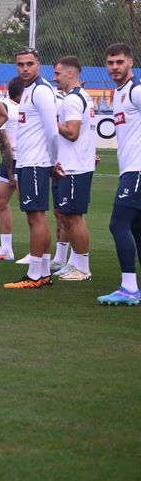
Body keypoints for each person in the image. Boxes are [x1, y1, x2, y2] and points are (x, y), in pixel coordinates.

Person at [3, 47, 61, 289]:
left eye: (29, 64)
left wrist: (53, 161)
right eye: (20, 65)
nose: (25, 68)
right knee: (34, 217)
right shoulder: (28, 90)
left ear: (38, 64)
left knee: (36, 217)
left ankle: (35, 275)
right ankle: (44, 271)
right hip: (28, 162)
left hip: (36, 162)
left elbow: (53, 132)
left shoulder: (41, 92)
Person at [99, 43, 141, 305]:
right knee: (137, 228)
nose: (115, 67)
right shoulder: (119, 93)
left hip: (137, 170)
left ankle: (128, 288)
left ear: (131, 63)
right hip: (130, 169)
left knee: (118, 224)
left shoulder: (136, 90)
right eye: (111, 63)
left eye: (119, 62)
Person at [52, 56, 96, 281]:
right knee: (67, 216)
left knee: (73, 217)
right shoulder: (82, 97)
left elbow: (72, 132)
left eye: (58, 73)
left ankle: (83, 268)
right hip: (76, 164)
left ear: (71, 73)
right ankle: (75, 262)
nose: (54, 78)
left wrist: (51, 120)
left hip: (73, 167)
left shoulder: (72, 100)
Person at [0, 78, 23, 261]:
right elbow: (4, 141)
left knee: (31, 208)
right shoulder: (5, 107)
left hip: (20, 160)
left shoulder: (23, 108)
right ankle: (6, 248)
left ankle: (39, 254)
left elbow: (4, 142)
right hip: (11, 159)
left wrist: (11, 173)